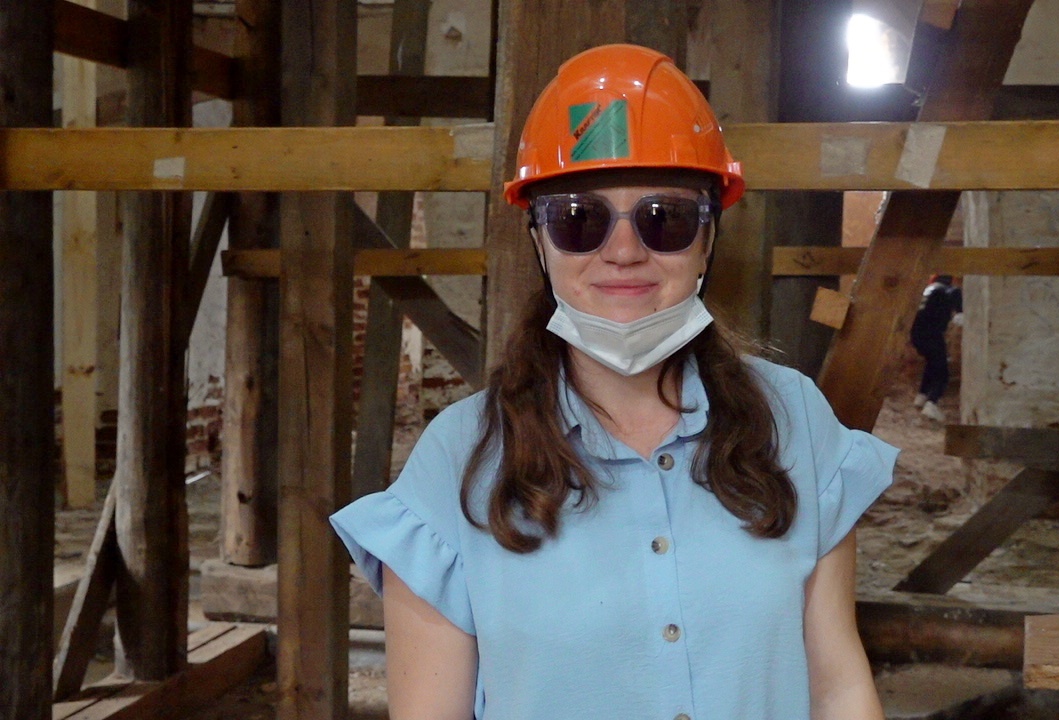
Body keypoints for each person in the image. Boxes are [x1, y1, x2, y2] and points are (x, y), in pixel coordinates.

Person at [330, 44, 898, 720]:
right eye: (579, 220)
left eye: (666, 219)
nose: (624, 252)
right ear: (539, 240)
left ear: (708, 239)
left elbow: (838, 688)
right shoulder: (458, 463)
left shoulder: (794, 421)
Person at [909, 274, 963, 423]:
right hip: (932, 335)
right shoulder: (949, 290)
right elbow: (954, 294)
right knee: (942, 373)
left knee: (932, 363)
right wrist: (960, 311)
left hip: (916, 335)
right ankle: (931, 403)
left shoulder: (928, 290)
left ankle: (922, 396)